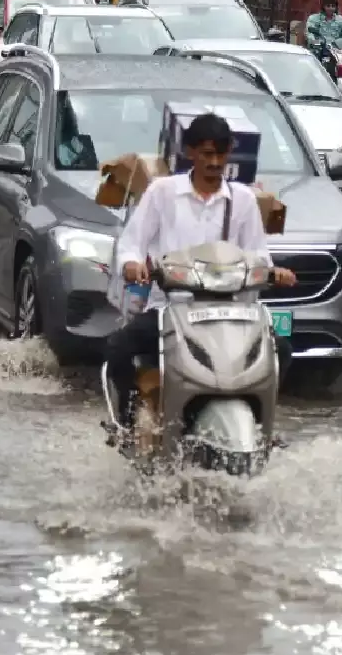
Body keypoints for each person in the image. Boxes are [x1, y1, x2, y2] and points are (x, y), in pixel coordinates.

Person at [104, 113, 297, 426]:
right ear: (190, 152)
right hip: (171, 307)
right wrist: (131, 264)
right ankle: (125, 425)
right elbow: (131, 242)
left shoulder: (243, 200)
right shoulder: (163, 192)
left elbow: (259, 256)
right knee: (118, 347)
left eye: (221, 154)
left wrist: (274, 273)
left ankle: (262, 429)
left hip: (230, 312)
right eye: (207, 154)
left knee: (281, 351)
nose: (215, 162)